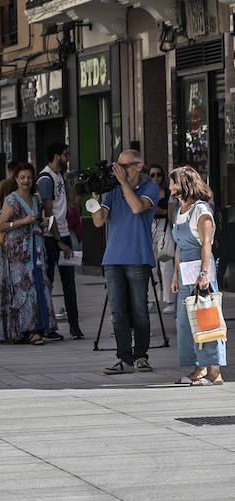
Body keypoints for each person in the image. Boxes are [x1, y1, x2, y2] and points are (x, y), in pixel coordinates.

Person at [92, 149, 161, 374]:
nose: (119, 170)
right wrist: (94, 201)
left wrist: (123, 183)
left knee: (140, 309)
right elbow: (99, 222)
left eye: (125, 166)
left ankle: (141, 356)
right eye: (117, 165)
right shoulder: (112, 190)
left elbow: (137, 207)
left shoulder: (150, 187)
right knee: (118, 311)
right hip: (113, 258)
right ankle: (124, 358)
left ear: (138, 166)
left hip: (138, 257)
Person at [168, 166, 224, 385]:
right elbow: (178, 247)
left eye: (173, 182)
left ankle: (214, 372)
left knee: (207, 321)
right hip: (184, 275)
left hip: (201, 274)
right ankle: (199, 368)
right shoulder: (179, 211)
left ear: (184, 183)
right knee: (186, 323)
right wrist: (174, 277)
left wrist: (204, 273)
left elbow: (207, 243)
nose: (170, 187)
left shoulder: (201, 211)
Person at [0, 162, 55, 345]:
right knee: (23, 290)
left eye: (29, 177)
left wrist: (42, 223)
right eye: (22, 177)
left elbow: (36, 221)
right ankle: (26, 330)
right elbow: (1, 225)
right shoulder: (11, 200)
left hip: (36, 249)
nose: (26, 181)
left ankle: (38, 327)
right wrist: (22, 221)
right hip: (17, 254)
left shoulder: (36, 199)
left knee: (39, 287)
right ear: (16, 179)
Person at [37, 144, 83, 340]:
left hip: (64, 234)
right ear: (56, 156)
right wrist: (59, 241)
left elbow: (66, 204)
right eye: (65, 154)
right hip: (51, 238)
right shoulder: (46, 178)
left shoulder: (60, 177)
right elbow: (49, 212)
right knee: (48, 283)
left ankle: (74, 326)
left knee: (69, 284)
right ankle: (47, 327)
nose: (67, 157)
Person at [149, 164, 176, 315]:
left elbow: (172, 209)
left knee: (166, 264)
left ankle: (169, 300)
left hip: (164, 227)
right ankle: (151, 299)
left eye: (158, 174)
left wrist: (163, 211)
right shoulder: (144, 191)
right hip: (148, 227)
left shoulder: (167, 192)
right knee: (150, 264)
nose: (155, 178)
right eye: (152, 175)